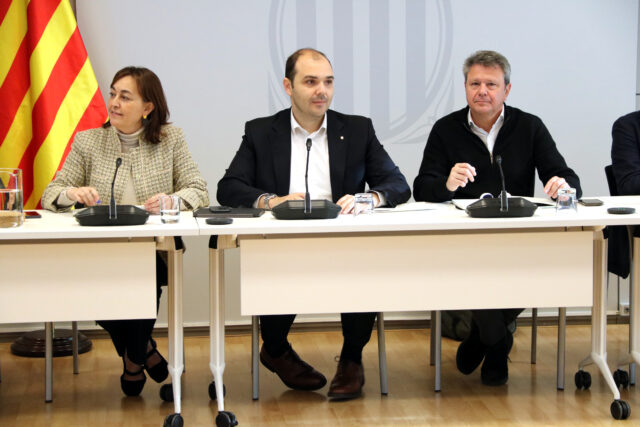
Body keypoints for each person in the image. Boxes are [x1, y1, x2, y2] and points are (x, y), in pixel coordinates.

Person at [217, 48, 410, 400]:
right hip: (283, 242)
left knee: (364, 264)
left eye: (328, 82)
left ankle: (351, 358)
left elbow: (397, 184)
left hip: (344, 240)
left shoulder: (357, 129)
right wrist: (272, 201)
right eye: (310, 82)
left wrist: (369, 198)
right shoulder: (261, 132)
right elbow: (228, 187)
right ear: (288, 86)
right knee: (277, 266)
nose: (322, 90)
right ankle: (275, 349)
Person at [413, 50, 581, 386]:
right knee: (476, 268)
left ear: (507, 89)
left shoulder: (529, 126)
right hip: (464, 237)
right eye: (474, 83)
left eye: (491, 84)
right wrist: (447, 184)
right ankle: (498, 343)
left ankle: (482, 337)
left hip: (518, 235)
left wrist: (562, 186)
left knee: (543, 266)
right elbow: (421, 189)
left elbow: (566, 177)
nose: (482, 91)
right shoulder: (446, 129)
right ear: (465, 88)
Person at [42, 66, 209, 396]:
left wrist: (171, 201)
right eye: (113, 94)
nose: (114, 102)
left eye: (125, 96)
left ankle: (133, 360)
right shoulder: (89, 141)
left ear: (147, 107)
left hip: (152, 248)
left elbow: (198, 190)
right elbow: (52, 192)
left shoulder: (171, 140)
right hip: (98, 251)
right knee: (92, 288)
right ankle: (143, 351)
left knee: (145, 276)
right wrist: (72, 193)